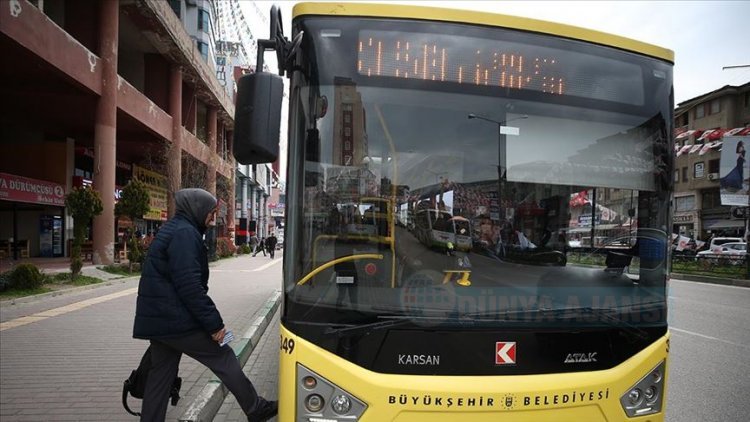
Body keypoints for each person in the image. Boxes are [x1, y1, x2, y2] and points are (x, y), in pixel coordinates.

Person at [133, 188, 277, 422]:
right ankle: (255, 408)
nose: (212, 219)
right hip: (177, 321)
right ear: (197, 209)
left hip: (160, 323)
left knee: (160, 379)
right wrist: (215, 325)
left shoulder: (173, 229)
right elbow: (190, 286)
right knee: (225, 354)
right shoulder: (184, 234)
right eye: (211, 213)